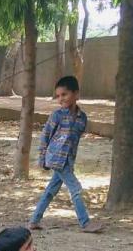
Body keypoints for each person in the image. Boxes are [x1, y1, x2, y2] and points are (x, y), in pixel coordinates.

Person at [29, 75, 101, 233]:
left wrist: (70, 162)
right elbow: (45, 136)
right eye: (58, 96)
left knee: (50, 191)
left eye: (64, 94)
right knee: (76, 188)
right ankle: (85, 223)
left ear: (76, 94)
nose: (61, 99)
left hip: (67, 161)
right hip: (55, 159)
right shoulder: (57, 116)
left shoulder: (82, 118)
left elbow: (74, 142)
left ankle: (34, 220)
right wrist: (42, 159)